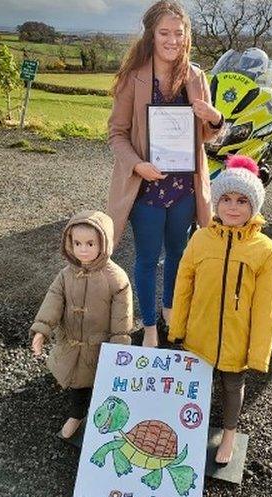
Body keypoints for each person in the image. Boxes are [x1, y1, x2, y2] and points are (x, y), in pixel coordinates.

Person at [107, 0, 224, 348]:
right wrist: (137, 165)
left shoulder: (195, 76)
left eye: (179, 32)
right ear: (152, 35)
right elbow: (116, 133)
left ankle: (171, 312)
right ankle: (149, 325)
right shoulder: (134, 77)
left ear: (187, 35)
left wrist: (214, 117)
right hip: (147, 186)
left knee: (178, 253)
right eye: (164, 33)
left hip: (185, 187)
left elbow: (205, 134)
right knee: (146, 258)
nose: (172, 39)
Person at [167, 155, 272, 465]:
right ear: (216, 203)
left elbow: (266, 306)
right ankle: (191, 431)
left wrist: (258, 352)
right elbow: (183, 286)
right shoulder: (200, 240)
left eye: (243, 200)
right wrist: (177, 327)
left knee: (232, 386)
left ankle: (229, 434)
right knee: (198, 386)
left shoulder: (265, 251)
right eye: (227, 199)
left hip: (236, 338)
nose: (233, 207)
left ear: (254, 206)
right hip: (199, 333)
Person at [30, 211, 133, 438]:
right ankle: (76, 415)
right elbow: (53, 300)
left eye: (90, 243)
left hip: (100, 345)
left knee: (101, 382)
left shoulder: (116, 278)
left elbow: (121, 318)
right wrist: (42, 329)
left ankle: (106, 418)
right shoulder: (66, 275)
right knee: (78, 385)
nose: (83, 249)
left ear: (104, 243)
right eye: (77, 243)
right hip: (72, 341)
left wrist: (119, 346)